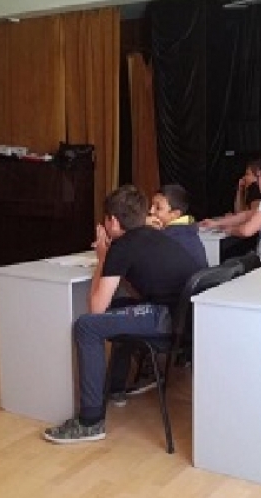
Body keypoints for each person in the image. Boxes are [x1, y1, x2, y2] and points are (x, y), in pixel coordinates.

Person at [42, 185, 203, 444]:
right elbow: (140, 288)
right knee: (118, 309)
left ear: (113, 222)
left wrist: (103, 259)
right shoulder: (156, 236)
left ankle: (90, 421)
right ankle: (116, 388)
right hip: (190, 320)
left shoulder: (122, 247)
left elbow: (95, 310)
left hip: (170, 321)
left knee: (87, 326)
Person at [146, 183, 208, 269]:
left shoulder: (168, 238)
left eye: (158, 208)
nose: (151, 211)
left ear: (175, 214)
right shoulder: (186, 230)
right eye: (151, 206)